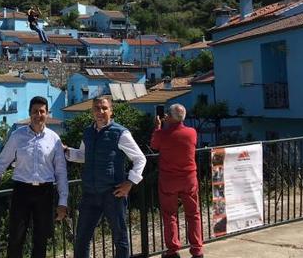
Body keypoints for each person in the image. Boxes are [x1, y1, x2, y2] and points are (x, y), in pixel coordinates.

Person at [0, 96, 68, 258]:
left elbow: (61, 172)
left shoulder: (54, 139)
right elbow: (1, 163)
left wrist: (63, 202)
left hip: (45, 193)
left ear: (47, 114)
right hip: (22, 191)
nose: (38, 114)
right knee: (15, 238)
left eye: (42, 111)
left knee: (41, 240)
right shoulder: (17, 136)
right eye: (35, 111)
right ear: (30, 113)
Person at [65, 96, 146, 258]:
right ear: (92, 111)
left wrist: (130, 182)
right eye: (96, 108)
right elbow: (82, 156)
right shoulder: (88, 132)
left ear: (111, 111)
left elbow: (140, 158)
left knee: (120, 238)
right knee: (81, 238)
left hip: (113, 194)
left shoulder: (120, 133)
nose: (100, 112)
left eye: (104, 108)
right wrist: (65, 151)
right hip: (90, 194)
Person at [149, 104, 204, 258]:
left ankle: (173, 250)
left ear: (171, 117)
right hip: (189, 178)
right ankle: (197, 250)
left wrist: (158, 127)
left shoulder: (163, 134)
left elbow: (154, 145)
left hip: (169, 180)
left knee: (169, 215)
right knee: (193, 214)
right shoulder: (192, 133)